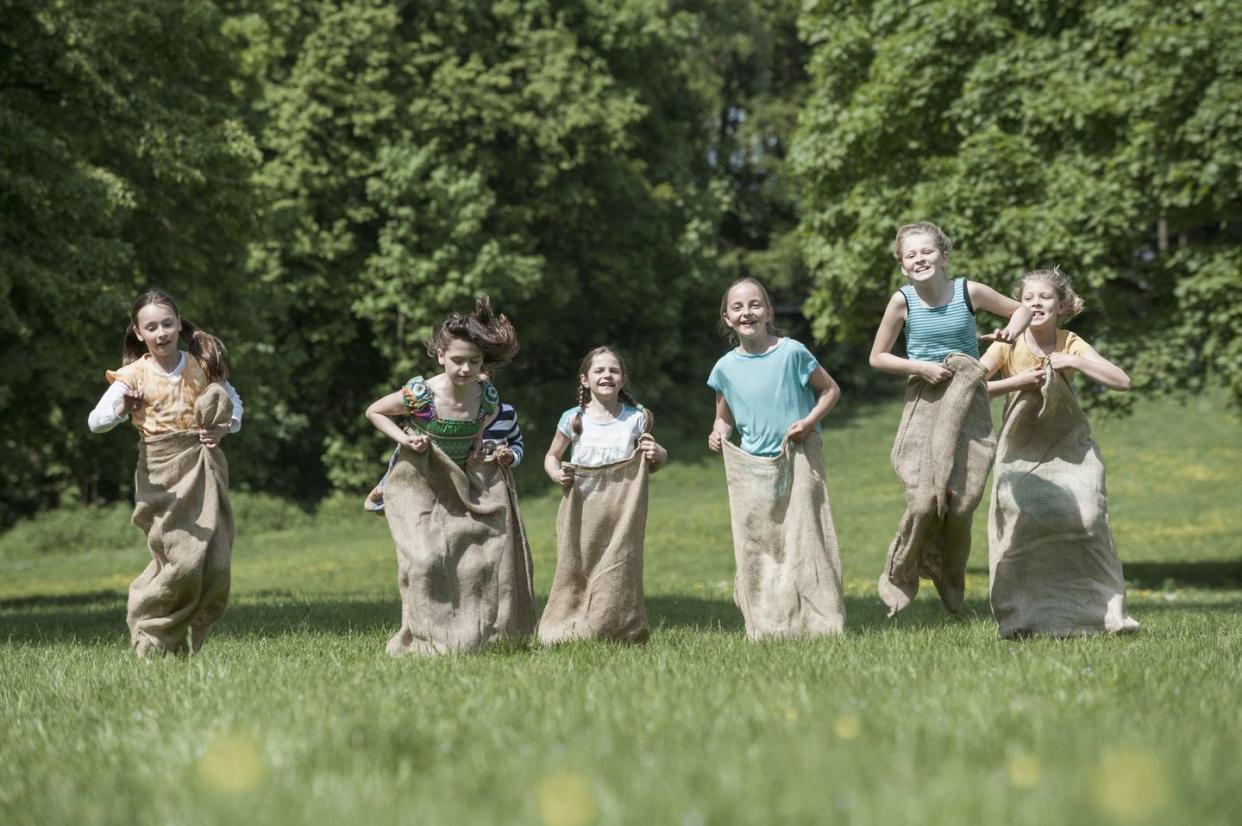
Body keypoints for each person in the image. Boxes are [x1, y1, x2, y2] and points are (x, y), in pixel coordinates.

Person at [869, 222, 1031, 618]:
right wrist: (920, 367)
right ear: (902, 265)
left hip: (969, 397)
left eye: (927, 252)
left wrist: (1009, 334)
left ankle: (947, 570)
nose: (920, 259)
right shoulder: (901, 301)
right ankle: (902, 567)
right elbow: (878, 356)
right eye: (911, 255)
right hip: (926, 399)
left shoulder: (967, 291)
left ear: (944, 256)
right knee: (925, 501)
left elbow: (1022, 308)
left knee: (962, 502)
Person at [364, 297, 534, 655]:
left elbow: (481, 424)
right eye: (458, 360)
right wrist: (405, 438)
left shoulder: (485, 396)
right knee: (425, 560)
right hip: (420, 481)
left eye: (474, 362)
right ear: (440, 355)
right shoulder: (421, 395)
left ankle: (463, 638)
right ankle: (420, 639)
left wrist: (476, 444)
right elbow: (375, 411)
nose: (465, 369)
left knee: (471, 563)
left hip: (459, 482)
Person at [981, 267, 1139, 637]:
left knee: (1089, 517)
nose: (1036, 303)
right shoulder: (1007, 342)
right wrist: (1017, 382)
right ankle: (1020, 618)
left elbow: (1123, 381)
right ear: (1018, 305)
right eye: (1028, 298)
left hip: (1069, 448)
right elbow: (975, 386)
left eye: (1045, 297)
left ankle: (1109, 613)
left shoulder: (1070, 342)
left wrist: (1075, 362)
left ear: (1062, 305)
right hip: (1019, 449)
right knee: (1018, 525)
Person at [88, 288, 243, 657]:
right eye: (152, 327)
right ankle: (150, 629)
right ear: (139, 333)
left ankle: (185, 644)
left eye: (167, 324)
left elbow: (234, 406)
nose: (161, 333)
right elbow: (96, 422)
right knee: (182, 563)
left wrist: (224, 427)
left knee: (216, 565)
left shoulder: (201, 366)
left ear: (178, 324)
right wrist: (122, 408)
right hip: (161, 477)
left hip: (205, 468)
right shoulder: (133, 375)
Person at [706, 278, 846, 639]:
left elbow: (830, 390)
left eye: (754, 304)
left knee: (805, 538)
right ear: (727, 318)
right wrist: (718, 434)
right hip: (753, 468)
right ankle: (771, 624)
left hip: (799, 458)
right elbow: (724, 417)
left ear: (768, 312)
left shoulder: (792, 352)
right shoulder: (725, 368)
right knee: (763, 546)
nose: (746, 312)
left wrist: (809, 422)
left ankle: (819, 623)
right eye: (737, 307)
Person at [538, 347, 666, 644]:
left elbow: (652, 463)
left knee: (619, 566)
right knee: (578, 566)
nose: (607, 375)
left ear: (622, 380)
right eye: (599, 370)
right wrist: (557, 474)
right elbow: (551, 457)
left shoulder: (637, 419)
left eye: (614, 371)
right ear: (585, 379)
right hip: (582, 508)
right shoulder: (574, 418)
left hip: (623, 509)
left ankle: (617, 627)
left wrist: (659, 453)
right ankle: (568, 626)